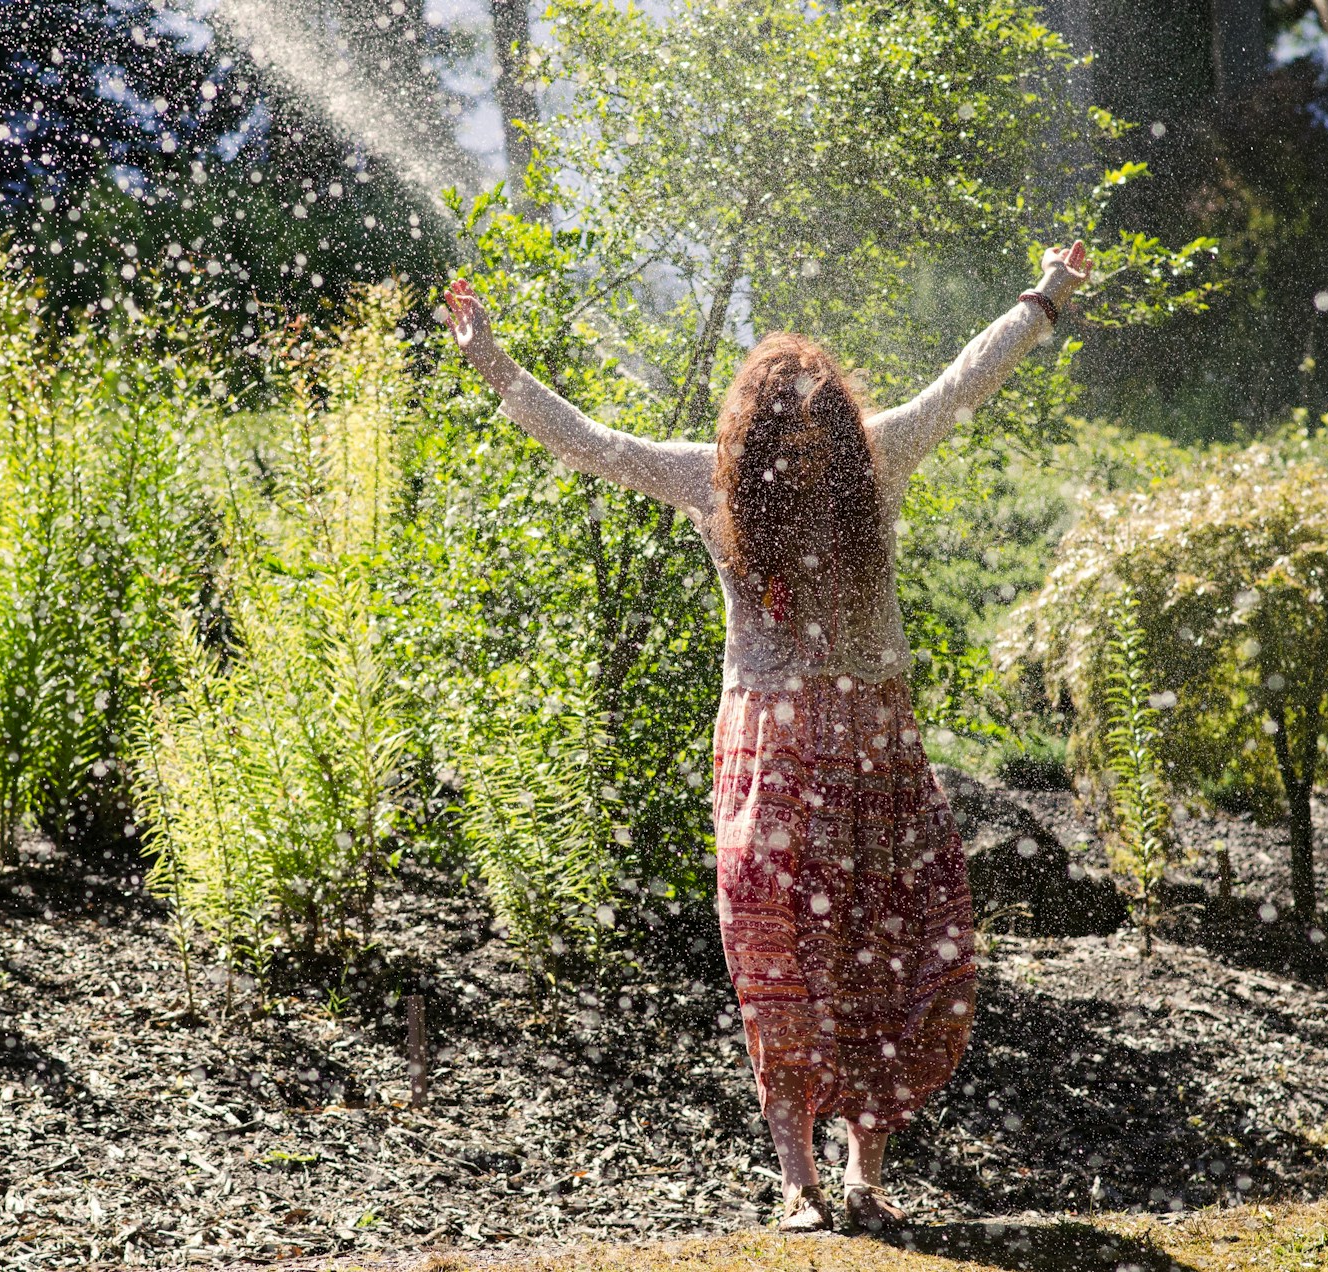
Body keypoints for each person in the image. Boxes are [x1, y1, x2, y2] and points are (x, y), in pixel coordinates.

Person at [443, 242, 1091, 1232]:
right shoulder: (714, 483)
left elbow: (967, 378)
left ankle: (865, 1174)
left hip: (875, 753)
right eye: (788, 435)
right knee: (774, 956)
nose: (806, 452)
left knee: (887, 949)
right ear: (753, 436)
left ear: (838, 427)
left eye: (819, 433)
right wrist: (489, 360)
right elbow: (590, 441)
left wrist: (1046, 297)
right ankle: (799, 1181)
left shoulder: (878, 458)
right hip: (768, 762)